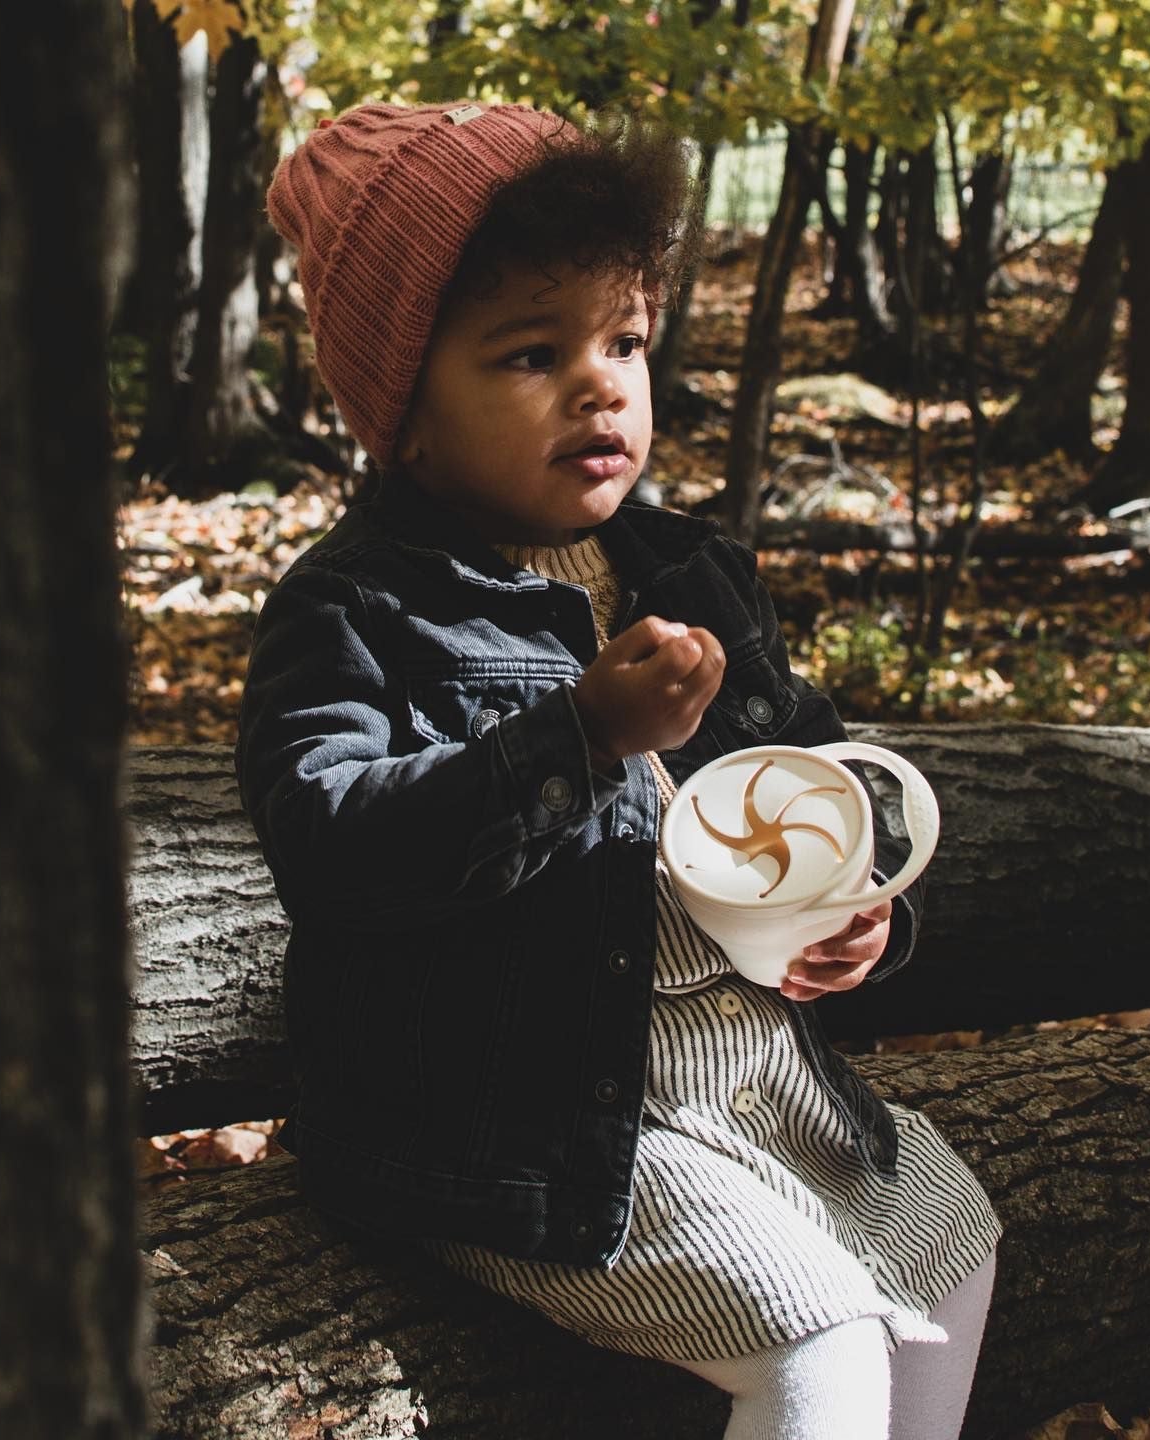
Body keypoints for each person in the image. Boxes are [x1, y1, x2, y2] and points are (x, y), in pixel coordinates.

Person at [238, 101, 1001, 1440]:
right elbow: (339, 847)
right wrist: (580, 737)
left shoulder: (685, 567)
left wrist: (856, 908)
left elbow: (816, 769)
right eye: (532, 355)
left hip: (744, 1066)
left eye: (626, 341)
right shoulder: (359, 611)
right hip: (520, 1115)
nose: (601, 385)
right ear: (405, 416)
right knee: (813, 1339)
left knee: (949, 1236)